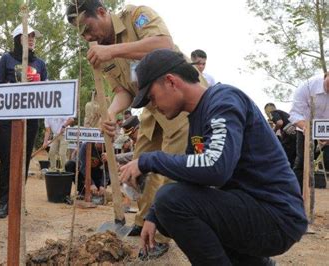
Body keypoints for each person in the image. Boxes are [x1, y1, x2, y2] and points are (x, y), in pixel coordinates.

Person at [119, 49, 307, 264]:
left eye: (151, 98)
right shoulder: (198, 117)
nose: (153, 107)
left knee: (170, 201)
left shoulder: (223, 101)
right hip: (252, 209)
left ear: (171, 81)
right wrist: (153, 215)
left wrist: (149, 160)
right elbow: (192, 176)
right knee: (165, 208)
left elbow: (215, 167)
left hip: (276, 216)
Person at [66, 1, 195, 254]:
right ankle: (142, 220)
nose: (86, 36)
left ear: (102, 12)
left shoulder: (136, 15)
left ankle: (159, 234)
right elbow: (123, 91)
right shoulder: (102, 52)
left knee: (169, 164)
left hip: (179, 97)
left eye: (87, 27)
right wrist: (112, 113)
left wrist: (114, 50)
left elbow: (164, 45)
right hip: (152, 105)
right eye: (80, 33)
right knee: (141, 163)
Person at [0, 24, 46, 219]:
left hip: (31, 120)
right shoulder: (7, 59)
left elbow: (45, 91)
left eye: (34, 36)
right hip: (8, 119)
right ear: (18, 39)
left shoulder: (40, 64)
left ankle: (18, 201)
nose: (32, 39)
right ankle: (4, 202)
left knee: (23, 161)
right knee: (7, 159)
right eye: (27, 36)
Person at [289, 72, 329, 191]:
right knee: (302, 161)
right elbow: (294, 114)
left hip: (327, 131)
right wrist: (306, 128)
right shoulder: (306, 87)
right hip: (305, 128)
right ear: (326, 74)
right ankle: (295, 194)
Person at [264, 103, 297, 167]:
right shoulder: (284, 114)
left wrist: (274, 131)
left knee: (284, 157)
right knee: (293, 160)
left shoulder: (272, 113)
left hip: (289, 139)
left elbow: (279, 123)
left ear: (267, 111)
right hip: (295, 138)